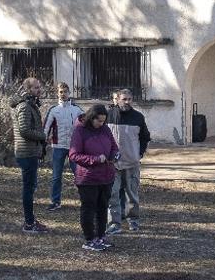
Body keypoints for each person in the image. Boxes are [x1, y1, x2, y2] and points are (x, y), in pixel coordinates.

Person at [69, 104, 119, 252]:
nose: (101, 124)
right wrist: (95, 159)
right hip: (88, 178)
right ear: (91, 118)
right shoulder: (80, 130)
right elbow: (74, 155)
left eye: (103, 121)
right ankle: (89, 238)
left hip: (106, 176)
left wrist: (114, 155)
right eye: (98, 121)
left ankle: (101, 235)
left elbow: (114, 146)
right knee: (89, 208)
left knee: (103, 207)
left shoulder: (105, 129)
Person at [105, 88, 149, 234]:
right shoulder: (108, 115)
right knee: (113, 194)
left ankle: (133, 221)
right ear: (117, 99)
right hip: (112, 164)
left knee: (132, 194)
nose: (127, 102)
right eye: (124, 99)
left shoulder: (138, 117)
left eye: (129, 99)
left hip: (132, 162)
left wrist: (139, 153)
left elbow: (145, 137)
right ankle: (114, 223)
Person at [8, 78, 48, 233]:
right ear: (28, 89)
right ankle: (29, 223)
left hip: (30, 151)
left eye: (39, 87)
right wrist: (42, 136)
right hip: (27, 152)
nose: (39, 90)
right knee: (28, 188)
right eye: (36, 87)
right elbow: (24, 130)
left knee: (30, 187)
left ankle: (30, 220)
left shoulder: (29, 104)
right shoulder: (24, 106)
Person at [43, 82, 82, 211]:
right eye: (60, 92)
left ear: (69, 93)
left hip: (74, 147)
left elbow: (85, 125)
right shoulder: (53, 110)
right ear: (57, 93)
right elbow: (46, 128)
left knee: (79, 174)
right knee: (56, 176)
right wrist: (43, 143)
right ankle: (55, 201)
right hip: (58, 146)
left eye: (65, 91)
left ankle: (85, 199)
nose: (63, 94)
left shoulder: (77, 110)